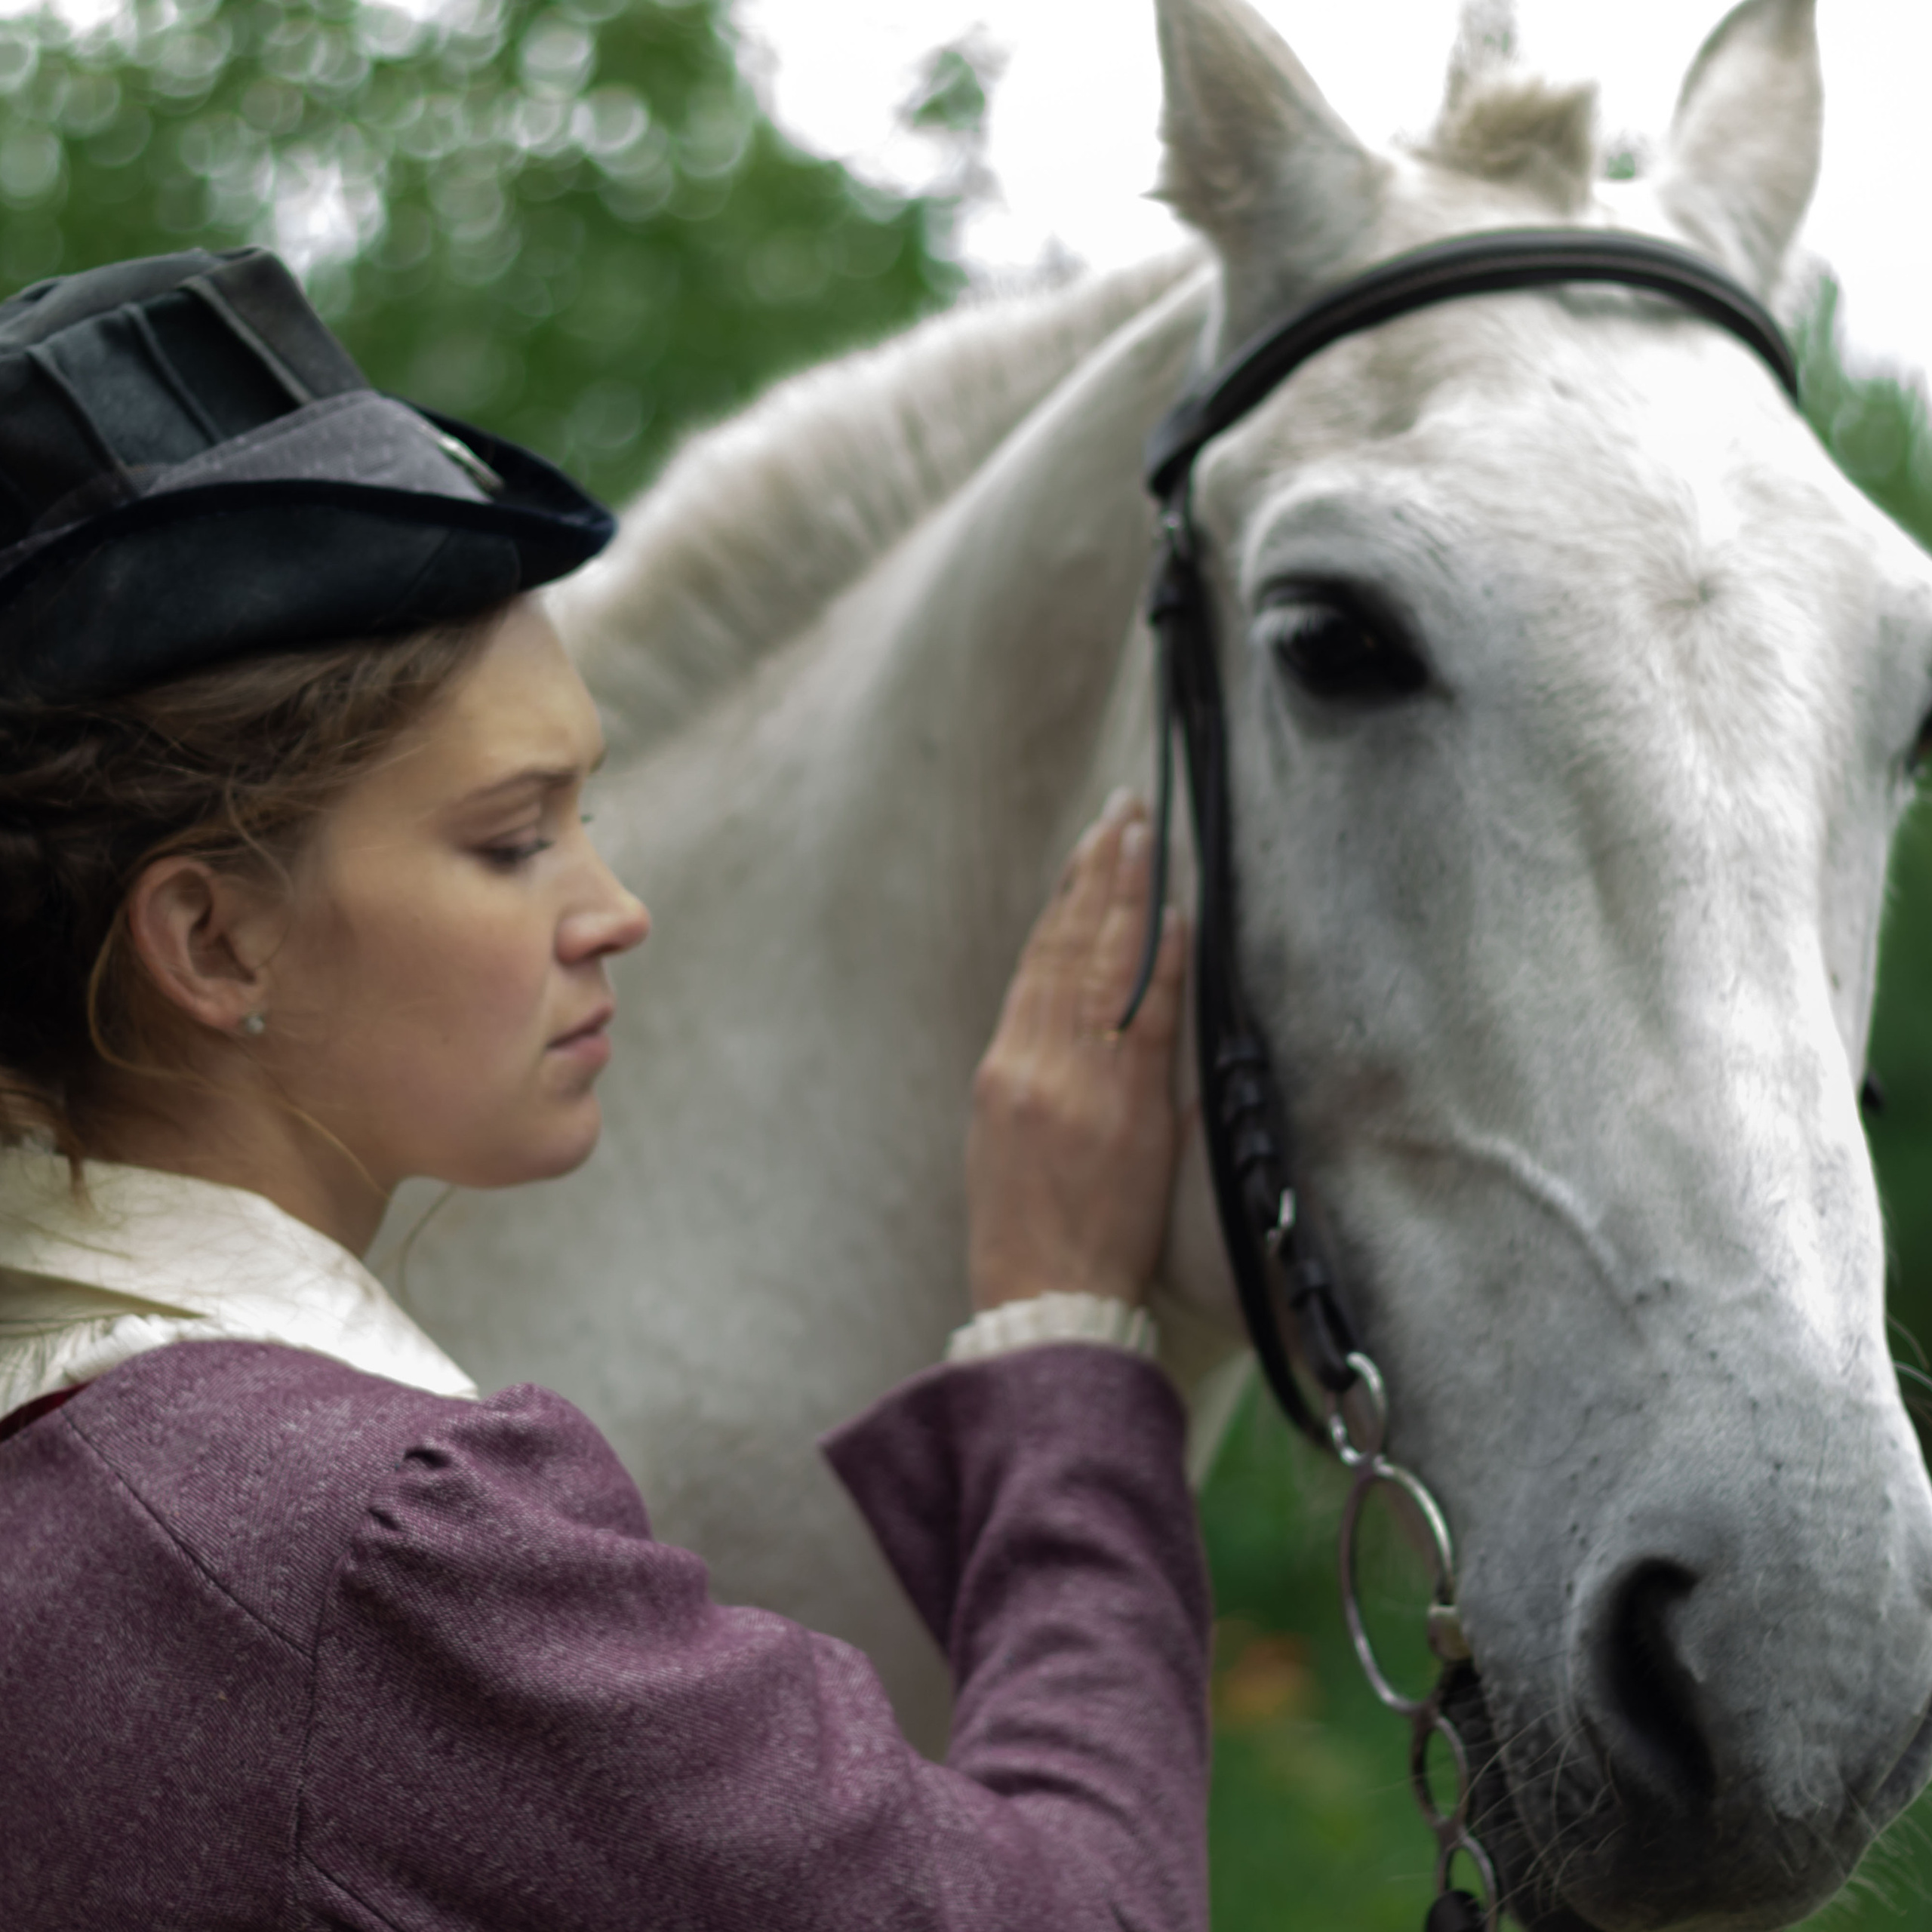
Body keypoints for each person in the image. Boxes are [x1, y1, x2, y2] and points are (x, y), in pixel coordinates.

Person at [0, 248, 1206, 1929]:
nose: (611, 909)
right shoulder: (371, 1553)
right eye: (511, 837)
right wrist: (1066, 1350)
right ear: (212, 939)